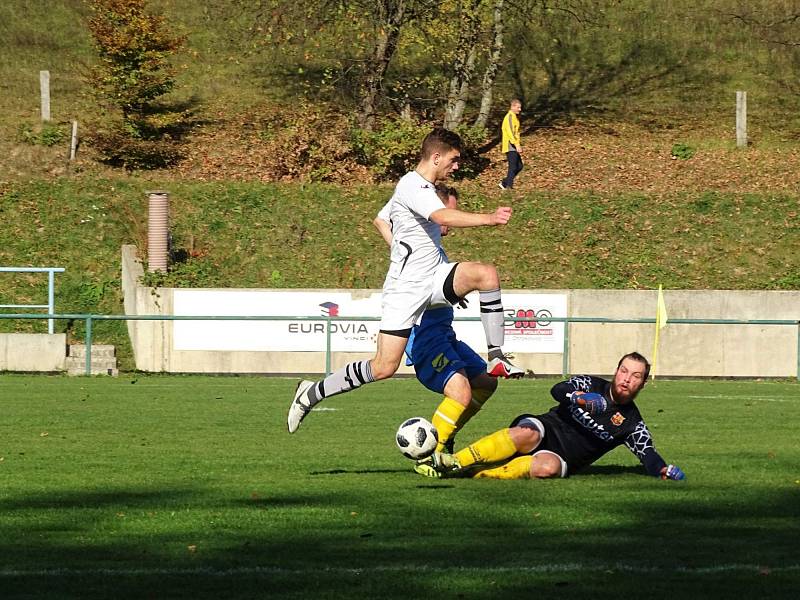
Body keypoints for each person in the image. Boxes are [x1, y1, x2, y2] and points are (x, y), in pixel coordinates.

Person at [288, 127, 523, 435]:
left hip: (434, 276)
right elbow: (441, 218)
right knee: (384, 367)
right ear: (436, 157)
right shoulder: (412, 186)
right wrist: (489, 218)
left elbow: (380, 219)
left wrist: (402, 249)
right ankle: (311, 393)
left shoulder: (416, 190)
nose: (456, 167)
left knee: (485, 274)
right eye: (453, 160)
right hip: (405, 290)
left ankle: (496, 356)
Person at [415, 352, 686, 482]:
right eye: (624, 371)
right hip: (547, 428)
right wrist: (579, 399)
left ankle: (476, 475)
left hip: (564, 457)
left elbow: (647, 453)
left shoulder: (631, 424)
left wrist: (661, 468)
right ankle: (449, 461)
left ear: (642, 383)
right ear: (616, 371)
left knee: (547, 469)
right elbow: (558, 389)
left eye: (635, 376)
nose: (627, 379)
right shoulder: (590, 384)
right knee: (527, 434)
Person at [375, 184, 499, 454]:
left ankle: (446, 436)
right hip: (424, 335)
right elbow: (380, 220)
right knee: (461, 392)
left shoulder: (434, 250)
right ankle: (432, 453)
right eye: (448, 212)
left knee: (486, 383)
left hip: (443, 333)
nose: (449, 222)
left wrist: (453, 295)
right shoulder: (416, 246)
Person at [499, 99, 523, 190]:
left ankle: (504, 183)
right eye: (518, 107)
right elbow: (510, 133)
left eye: (520, 107)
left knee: (520, 166)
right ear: (512, 107)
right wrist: (516, 144)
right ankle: (509, 187)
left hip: (514, 144)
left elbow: (516, 132)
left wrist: (518, 143)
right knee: (513, 166)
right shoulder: (509, 117)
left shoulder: (514, 117)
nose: (520, 109)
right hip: (510, 145)